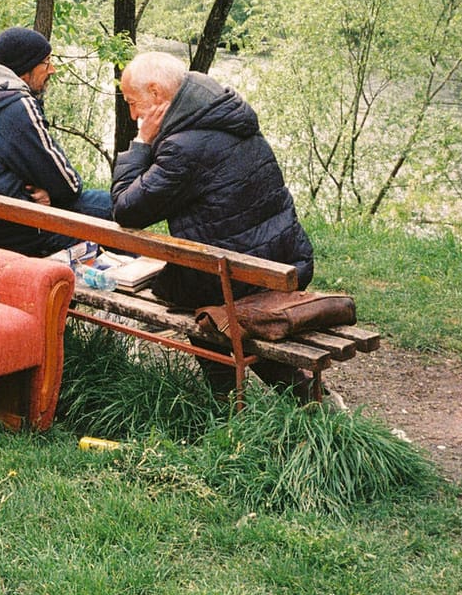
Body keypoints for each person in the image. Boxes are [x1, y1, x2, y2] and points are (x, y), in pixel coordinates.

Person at [112, 50, 316, 390]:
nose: (133, 113)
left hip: (238, 276)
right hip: (287, 259)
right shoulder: (228, 116)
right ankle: (298, 391)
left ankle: (224, 397)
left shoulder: (183, 147)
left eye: (133, 103)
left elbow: (126, 210)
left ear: (157, 94)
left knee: (192, 296)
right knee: (202, 281)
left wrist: (141, 143)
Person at [0, 26, 114, 255]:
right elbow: (69, 185)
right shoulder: (17, 105)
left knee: (100, 206)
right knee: (115, 209)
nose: (53, 70)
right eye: (47, 62)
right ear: (25, 67)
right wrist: (44, 192)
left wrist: (42, 191)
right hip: (15, 231)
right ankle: (135, 284)